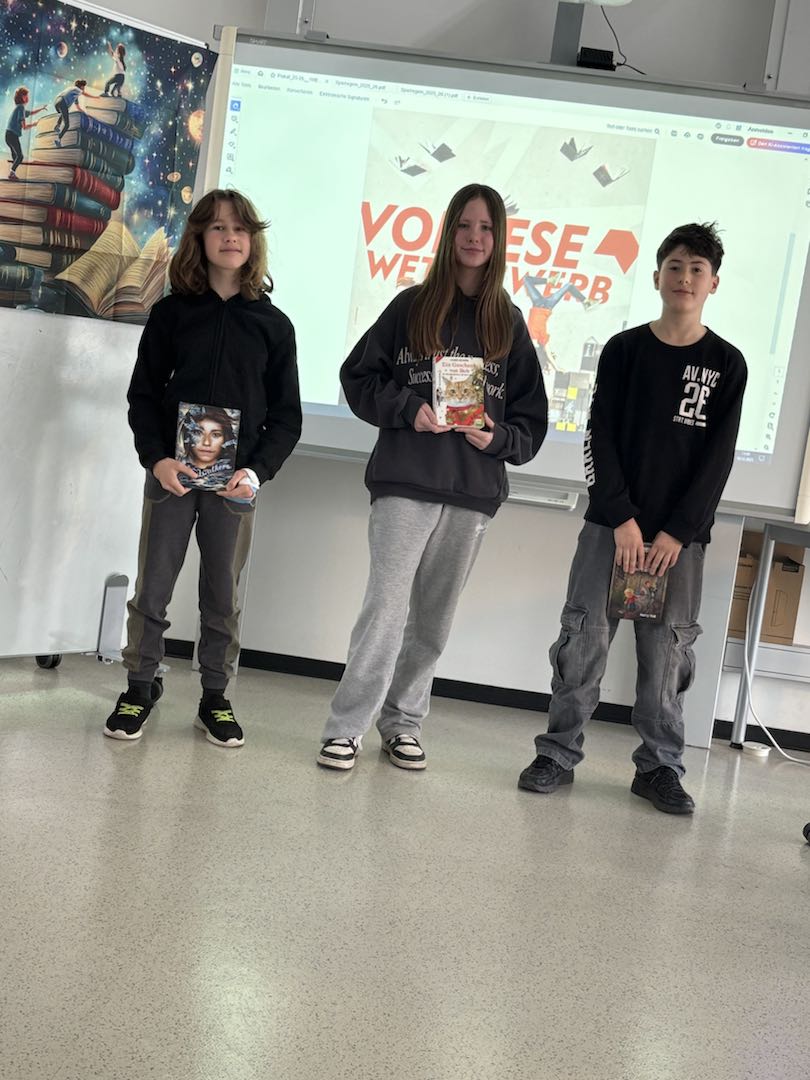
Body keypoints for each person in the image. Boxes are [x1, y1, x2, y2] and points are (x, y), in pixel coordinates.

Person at [317, 183, 548, 772]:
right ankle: (347, 727)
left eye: (486, 227)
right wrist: (407, 409)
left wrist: (496, 437)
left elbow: (531, 423)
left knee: (434, 621)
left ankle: (403, 723)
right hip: (406, 482)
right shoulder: (410, 307)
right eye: (464, 225)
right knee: (385, 611)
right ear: (448, 234)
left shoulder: (509, 324)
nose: (475, 237)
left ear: (499, 239)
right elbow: (357, 379)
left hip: (472, 493)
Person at [518, 222, 747, 814]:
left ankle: (659, 767)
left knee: (668, 654)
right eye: (675, 266)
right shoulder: (624, 350)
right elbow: (600, 436)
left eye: (697, 269)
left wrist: (676, 532)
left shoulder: (727, 363)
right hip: (610, 529)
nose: (685, 277)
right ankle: (557, 753)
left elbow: (717, 460)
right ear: (656, 276)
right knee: (582, 642)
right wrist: (621, 518)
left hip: (679, 543)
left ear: (713, 283)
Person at [104, 189, 302, 746]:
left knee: (222, 594)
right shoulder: (171, 314)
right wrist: (156, 459)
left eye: (240, 228)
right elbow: (143, 396)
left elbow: (287, 418)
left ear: (253, 240)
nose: (230, 236)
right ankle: (140, 685)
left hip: (234, 486)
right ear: (199, 238)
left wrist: (256, 472)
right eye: (217, 227)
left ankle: (216, 695)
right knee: (153, 587)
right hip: (172, 477)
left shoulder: (274, 325)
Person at [176, 404, 238, 487]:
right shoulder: (177, 466)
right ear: (187, 435)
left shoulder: (233, 474)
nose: (206, 442)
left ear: (226, 438)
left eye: (215, 435)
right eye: (197, 433)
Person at [5, 86, 45, 180]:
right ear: (22, 97)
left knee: (16, 156)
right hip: (12, 135)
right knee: (20, 156)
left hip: (8, 135)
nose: (27, 97)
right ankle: (11, 173)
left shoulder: (20, 108)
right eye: (25, 95)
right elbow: (24, 127)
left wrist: (41, 109)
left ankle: (12, 172)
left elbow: (31, 113)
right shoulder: (21, 108)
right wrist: (34, 124)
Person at [53, 79, 93, 144]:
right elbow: (84, 94)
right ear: (81, 86)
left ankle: (57, 125)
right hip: (62, 102)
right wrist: (95, 97)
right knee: (67, 125)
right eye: (84, 87)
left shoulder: (73, 92)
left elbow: (78, 107)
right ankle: (58, 139)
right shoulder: (77, 89)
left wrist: (85, 113)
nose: (84, 89)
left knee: (65, 111)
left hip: (57, 102)